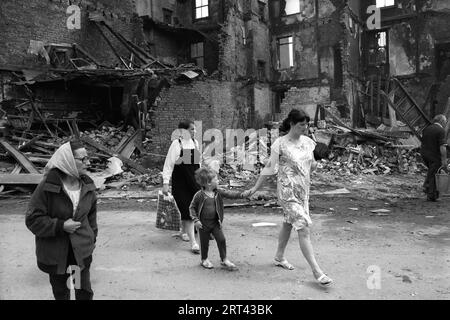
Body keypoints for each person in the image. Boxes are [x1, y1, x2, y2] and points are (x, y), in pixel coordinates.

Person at [244, 109, 333, 287]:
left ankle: (279, 257)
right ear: (292, 124)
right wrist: (254, 188)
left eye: (307, 124)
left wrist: (318, 157)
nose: (305, 127)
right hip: (287, 193)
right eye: (301, 124)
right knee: (303, 226)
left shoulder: (309, 142)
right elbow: (269, 168)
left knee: (288, 223)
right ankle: (317, 272)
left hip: (303, 193)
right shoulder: (280, 144)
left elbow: (311, 167)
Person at [25, 140, 97, 300]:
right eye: (83, 159)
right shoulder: (48, 187)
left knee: (82, 291)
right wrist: (61, 225)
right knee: (61, 293)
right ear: (69, 161)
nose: (88, 162)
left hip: (78, 255)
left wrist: (91, 241)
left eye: (88, 158)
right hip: (57, 255)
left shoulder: (87, 186)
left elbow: (92, 220)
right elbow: (33, 219)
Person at [189, 167, 242, 270]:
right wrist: (196, 220)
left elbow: (230, 194)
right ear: (209, 183)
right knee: (204, 243)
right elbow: (192, 208)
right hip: (203, 224)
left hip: (215, 223)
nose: (218, 181)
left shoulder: (217, 192)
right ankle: (204, 259)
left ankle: (224, 259)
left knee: (221, 239)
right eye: (216, 179)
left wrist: (243, 194)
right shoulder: (199, 195)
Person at [162, 120, 201, 254]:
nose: (194, 132)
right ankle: (194, 243)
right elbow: (168, 165)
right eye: (191, 129)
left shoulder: (195, 143)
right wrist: (166, 183)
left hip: (194, 182)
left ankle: (183, 230)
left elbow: (198, 165)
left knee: (193, 209)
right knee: (186, 210)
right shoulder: (176, 144)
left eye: (194, 129)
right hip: (180, 184)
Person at [420, 114, 448, 201]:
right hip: (434, 156)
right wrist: (444, 160)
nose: (445, 123)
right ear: (442, 121)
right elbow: (442, 147)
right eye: (445, 121)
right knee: (433, 174)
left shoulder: (427, 129)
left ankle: (427, 188)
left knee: (431, 172)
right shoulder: (441, 130)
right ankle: (431, 195)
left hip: (424, 154)